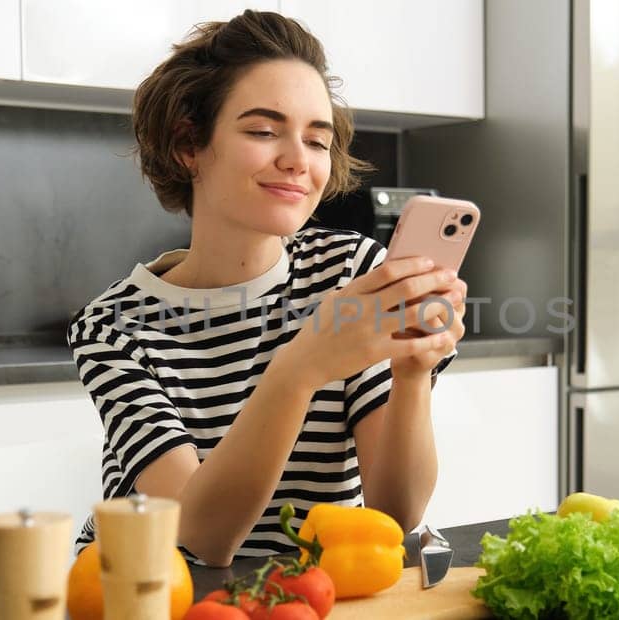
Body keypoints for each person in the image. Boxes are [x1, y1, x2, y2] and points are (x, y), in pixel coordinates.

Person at [67, 10, 467, 566]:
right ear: (189, 142)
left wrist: (412, 373)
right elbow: (204, 538)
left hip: (306, 595)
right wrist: (302, 367)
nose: (298, 162)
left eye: (317, 140)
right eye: (262, 131)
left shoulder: (350, 273)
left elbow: (395, 514)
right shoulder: (113, 326)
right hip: (154, 595)